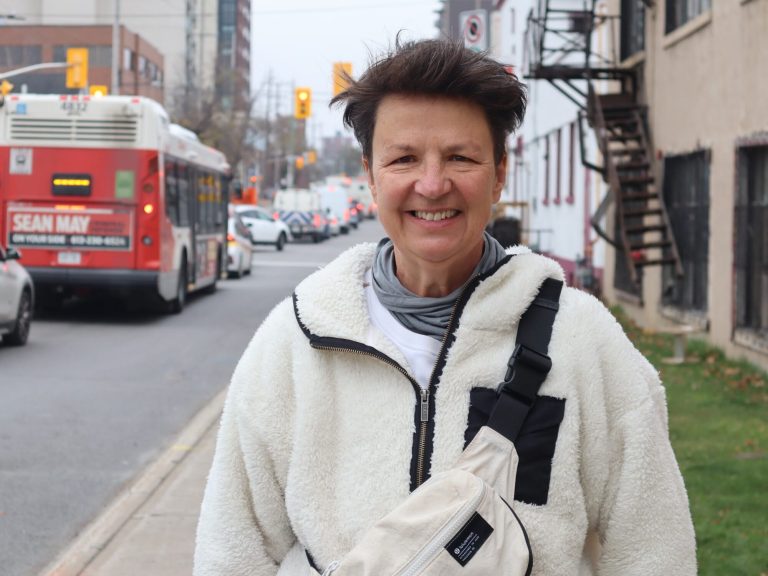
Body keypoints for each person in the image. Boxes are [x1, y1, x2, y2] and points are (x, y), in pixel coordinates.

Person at [194, 38, 697, 575]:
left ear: (500, 172)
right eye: (404, 158)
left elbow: (652, 548)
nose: (432, 185)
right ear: (371, 173)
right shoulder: (296, 339)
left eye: (460, 157)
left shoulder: (583, 341)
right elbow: (233, 549)